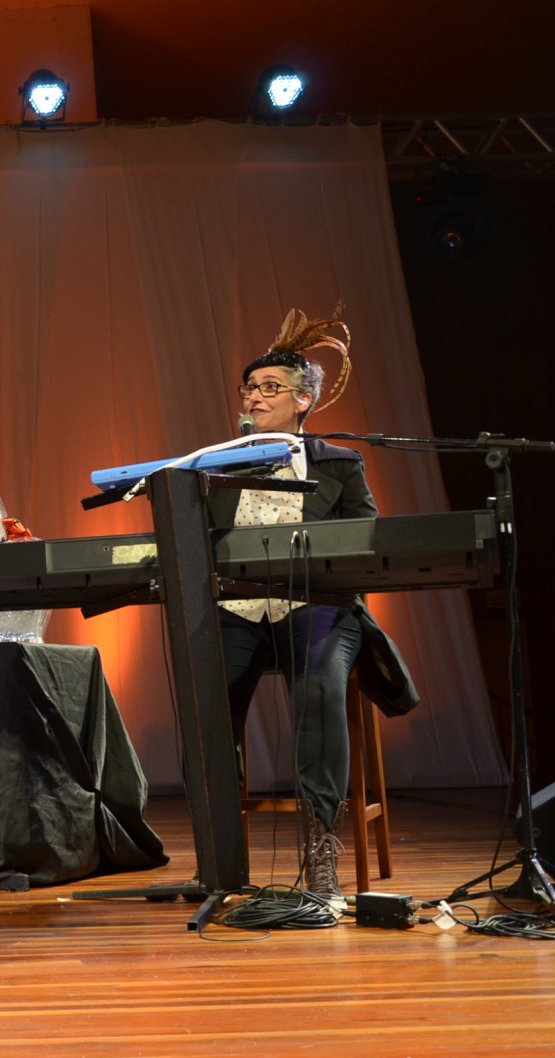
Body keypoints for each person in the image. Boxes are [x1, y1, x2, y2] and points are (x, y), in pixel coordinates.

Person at [211, 306, 370, 899]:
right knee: (205, 697)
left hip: (317, 604)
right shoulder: (215, 467)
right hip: (238, 607)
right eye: (249, 387)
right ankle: (218, 854)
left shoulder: (339, 463)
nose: (254, 396)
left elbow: (367, 539)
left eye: (270, 387)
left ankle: (321, 846)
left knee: (320, 689)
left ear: (303, 401)